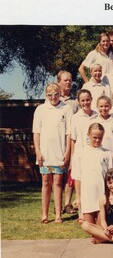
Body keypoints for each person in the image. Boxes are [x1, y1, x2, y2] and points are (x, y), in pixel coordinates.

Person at [33, 83, 73, 224]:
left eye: (56, 94)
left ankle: (58, 215)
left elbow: (69, 133)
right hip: (45, 153)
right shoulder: (40, 109)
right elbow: (36, 132)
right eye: (50, 95)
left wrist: (67, 151)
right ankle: (44, 214)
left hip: (60, 152)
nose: (53, 97)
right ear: (46, 95)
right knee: (45, 183)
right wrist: (38, 151)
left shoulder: (66, 108)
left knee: (57, 183)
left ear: (60, 94)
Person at [77, 123, 113, 224]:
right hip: (87, 195)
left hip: (102, 194)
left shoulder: (107, 154)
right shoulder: (81, 153)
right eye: (95, 137)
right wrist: (78, 198)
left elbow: (111, 177)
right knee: (88, 226)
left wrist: (108, 196)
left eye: (100, 138)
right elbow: (77, 177)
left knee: (100, 229)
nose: (97, 140)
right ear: (88, 135)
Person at [70, 89, 98, 222]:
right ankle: (81, 210)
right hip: (80, 154)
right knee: (79, 181)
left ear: (91, 99)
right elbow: (73, 139)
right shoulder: (75, 117)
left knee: (93, 182)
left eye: (87, 99)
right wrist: (71, 158)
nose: (85, 102)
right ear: (79, 102)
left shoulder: (97, 116)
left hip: (93, 154)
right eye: (83, 100)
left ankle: (95, 210)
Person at [57, 70, 79, 215]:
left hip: (71, 141)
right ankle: (58, 204)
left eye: (70, 80)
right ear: (58, 82)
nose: (68, 82)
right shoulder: (54, 100)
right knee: (58, 175)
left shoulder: (75, 102)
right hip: (58, 141)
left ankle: (67, 203)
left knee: (70, 173)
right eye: (65, 80)